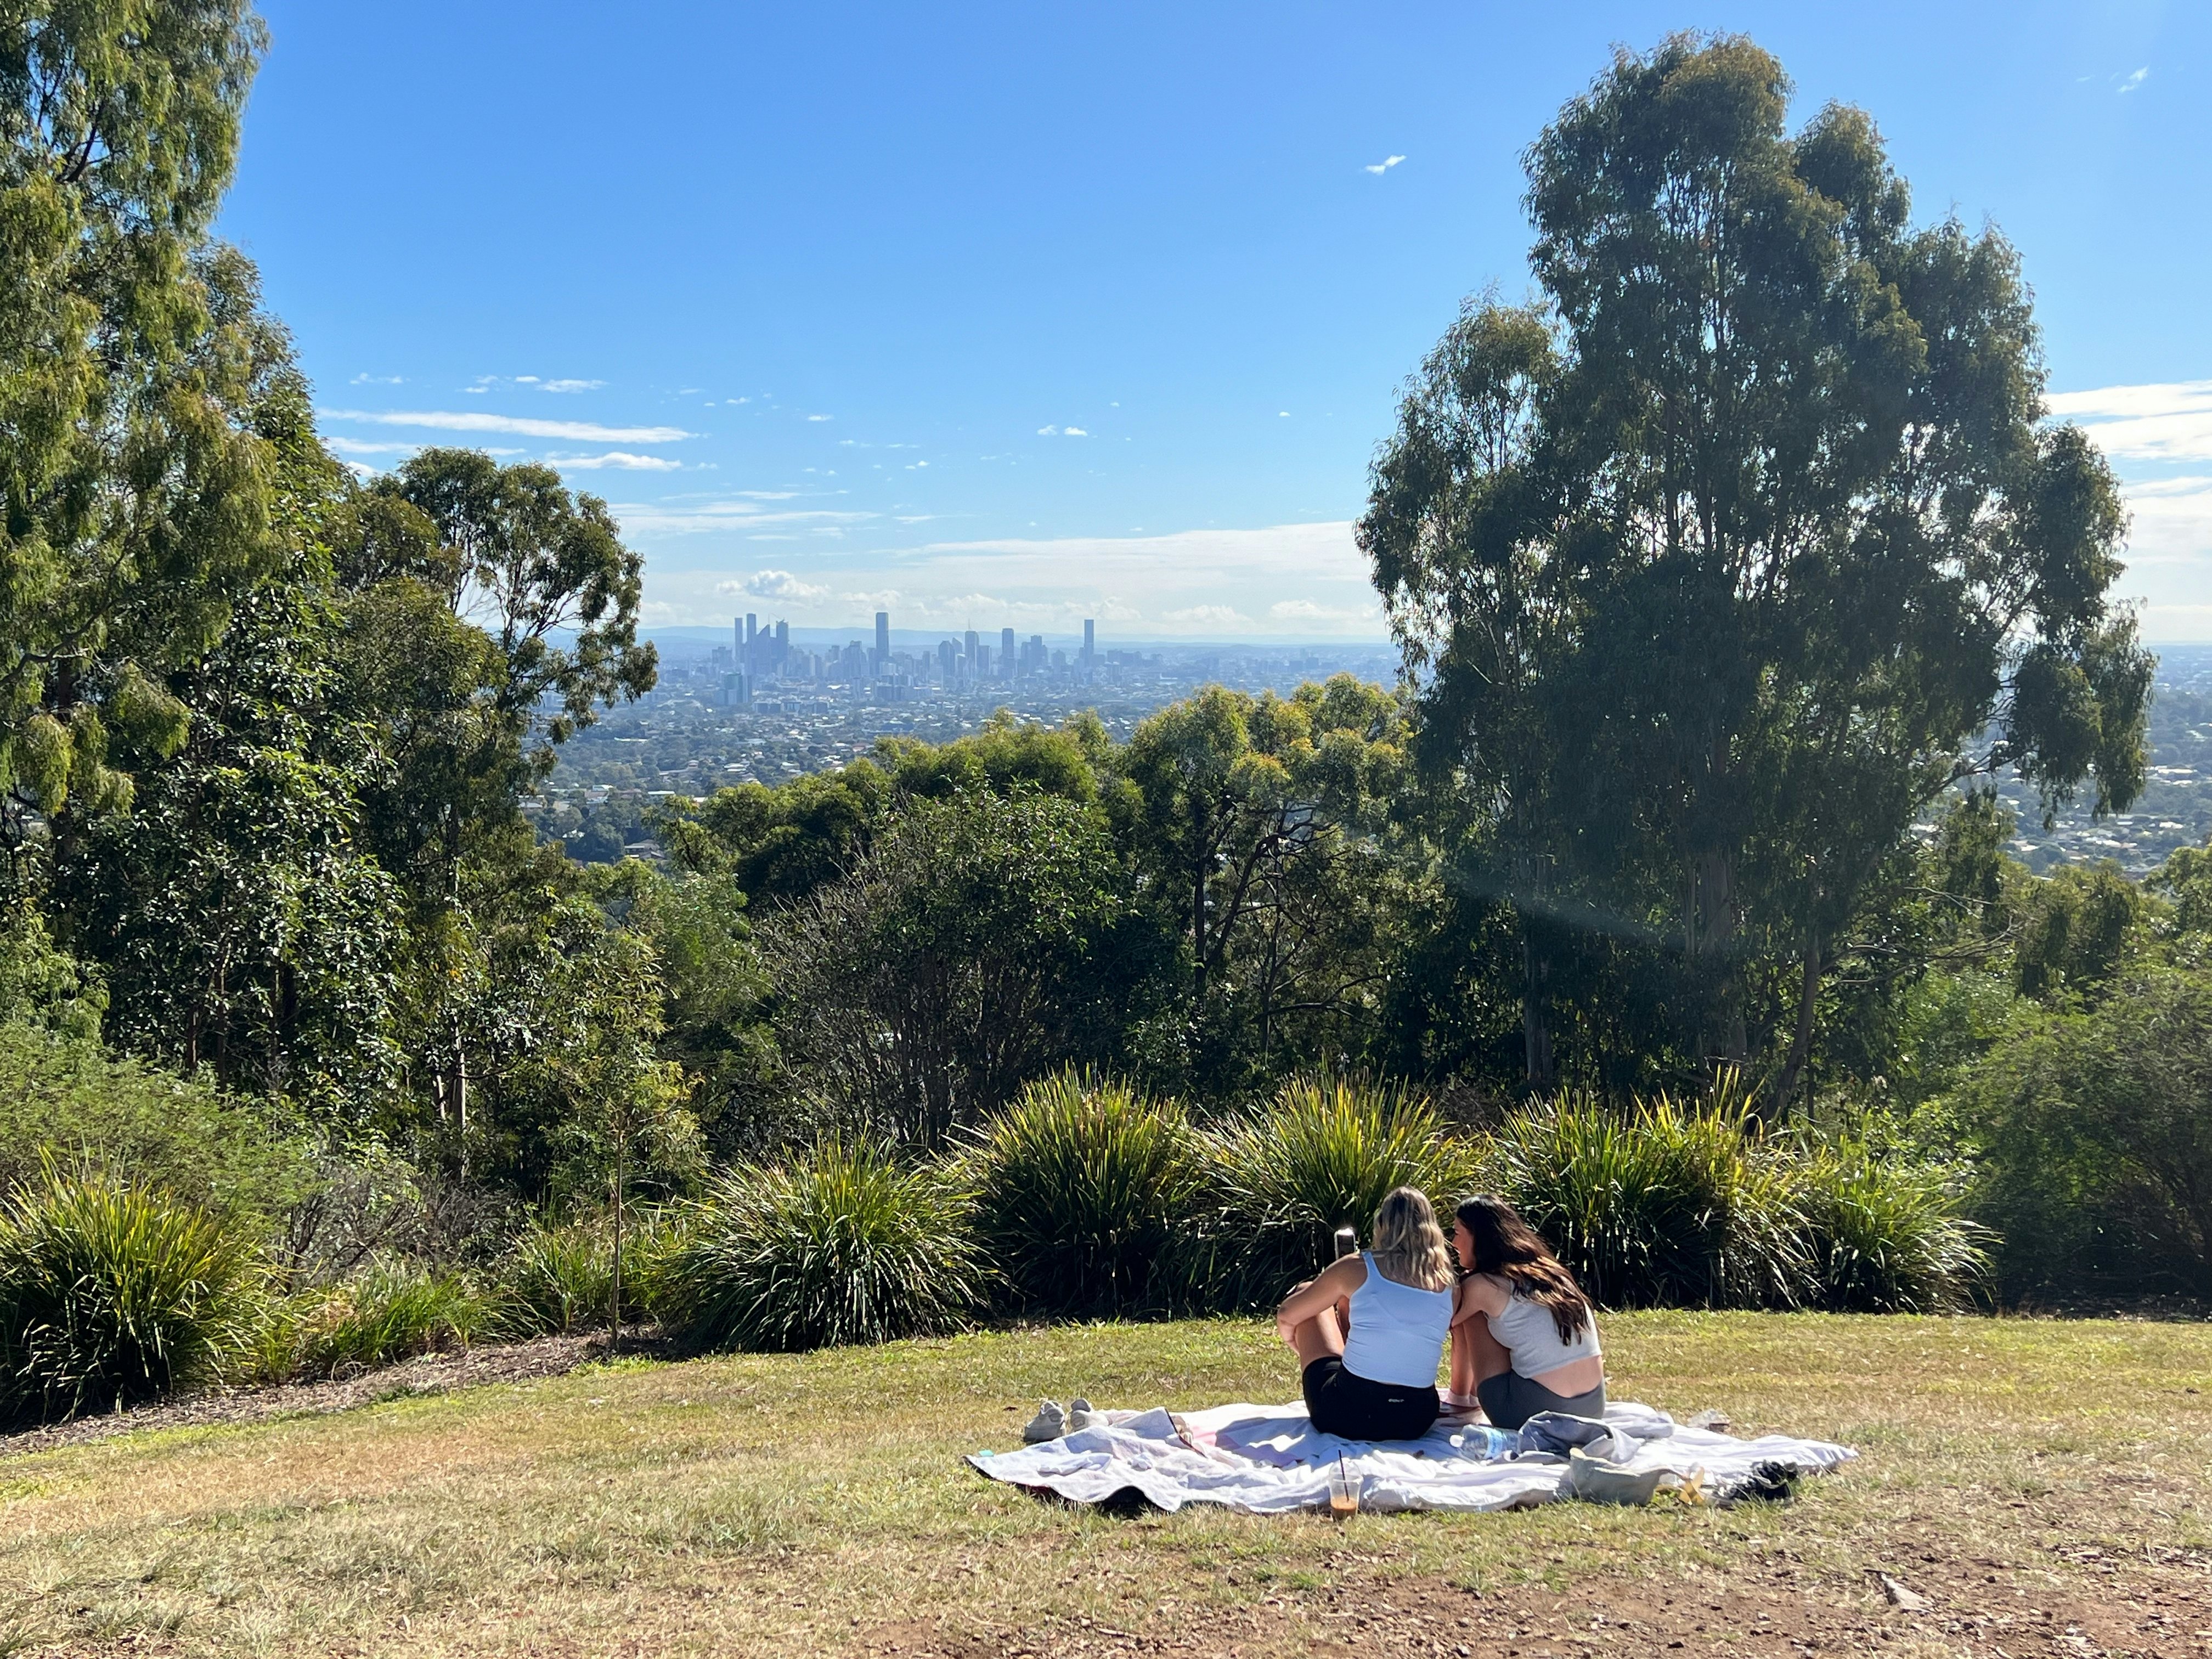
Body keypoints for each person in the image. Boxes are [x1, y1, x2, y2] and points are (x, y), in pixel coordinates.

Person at [1275, 1187, 1464, 1441]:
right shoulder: (1449, 1285)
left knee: (1307, 1292)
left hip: (1349, 1415)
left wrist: (1301, 1347)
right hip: (1416, 1419)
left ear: (1382, 1225)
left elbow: (1288, 1314)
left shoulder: (1357, 1267)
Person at [1444, 1194, 1605, 1430]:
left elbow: (1440, 1320)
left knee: (1469, 1310)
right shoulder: (1551, 1272)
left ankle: (1460, 1399)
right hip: (1592, 1408)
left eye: (1458, 1234)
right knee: (1494, 1315)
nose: (1454, 1244)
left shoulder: (1482, 1285)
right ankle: (1462, 1398)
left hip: (1534, 1414)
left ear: (1479, 1236)